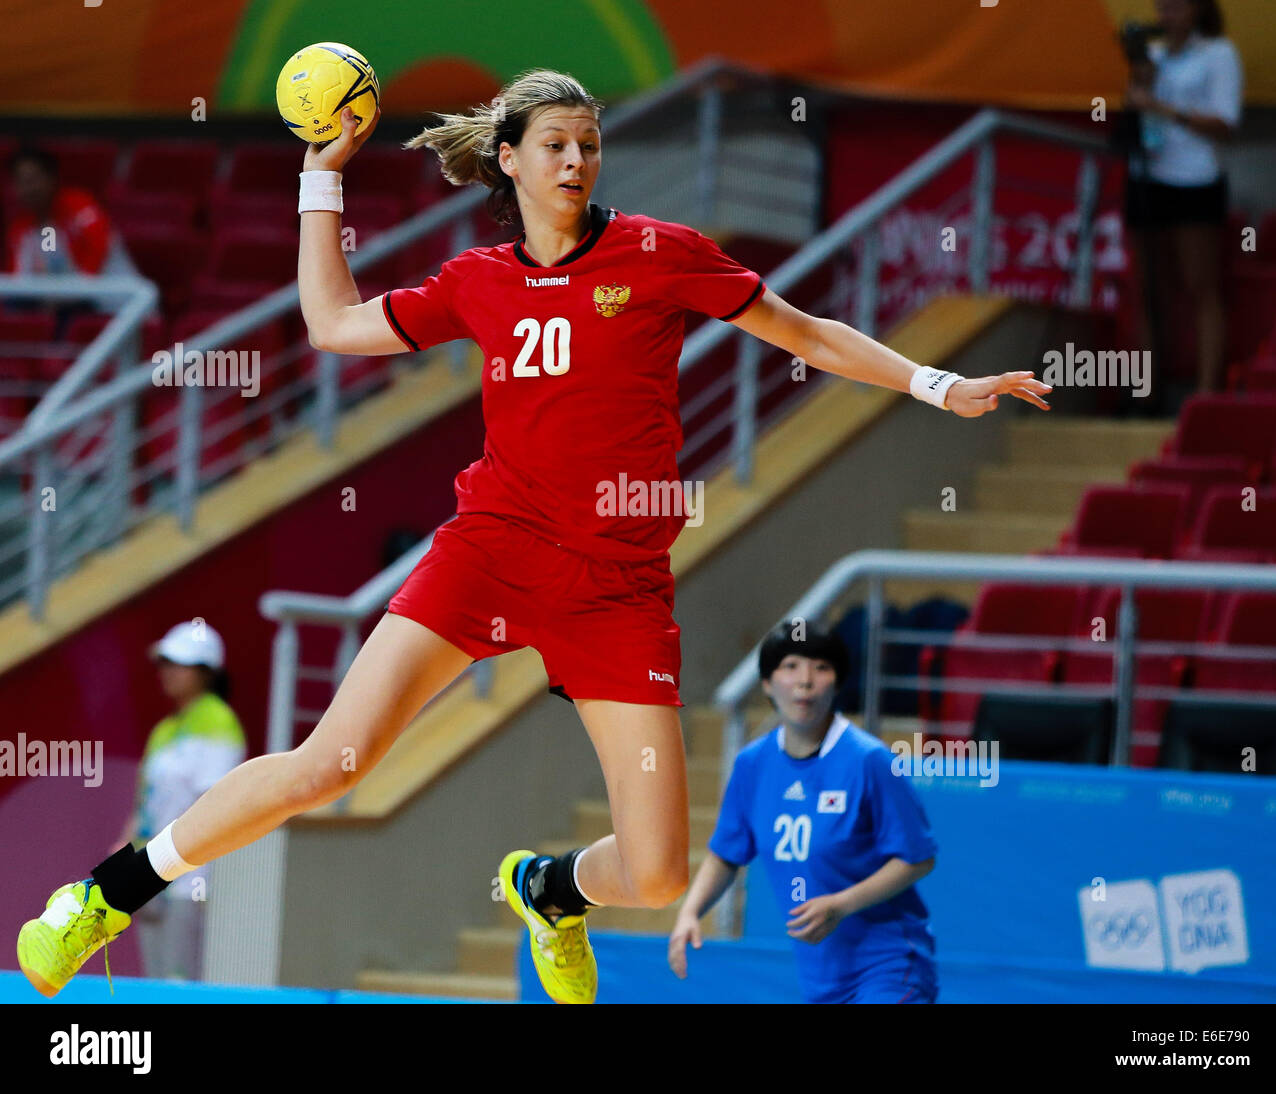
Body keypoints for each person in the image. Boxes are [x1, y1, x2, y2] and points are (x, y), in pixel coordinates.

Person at [17, 68, 1049, 1006]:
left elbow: (805, 331)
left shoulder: (658, 253)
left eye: (589, 144)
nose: (575, 161)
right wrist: (319, 179)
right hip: (491, 550)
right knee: (330, 760)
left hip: (615, 586)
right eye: (554, 143)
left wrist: (937, 381)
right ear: (507, 158)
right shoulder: (476, 279)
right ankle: (104, 895)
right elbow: (332, 325)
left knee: (651, 873)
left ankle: (547, 886)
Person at [668, 621, 939, 1003]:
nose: (805, 681)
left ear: (838, 682)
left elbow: (918, 858)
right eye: (791, 665)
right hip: (820, 976)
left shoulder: (870, 760)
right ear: (766, 683)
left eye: (821, 667)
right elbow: (727, 854)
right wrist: (690, 912)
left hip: (890, 963)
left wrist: (841, 905)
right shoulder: (752, 764)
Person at [111, 622, 245, 981]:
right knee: (153, 980)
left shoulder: (219, 721)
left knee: (180, 979)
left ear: (205, 671)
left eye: (178, 663)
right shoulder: (164, 730)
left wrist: (171, 861)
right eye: (164, 663)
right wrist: (124, 850)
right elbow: (144, 804)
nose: (167, 672)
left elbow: (214, 805)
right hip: (147, 872)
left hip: (189, 877)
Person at [1123, 0, 1243, 398]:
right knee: (1150, 288)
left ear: (1196, 9)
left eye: (1176, 6)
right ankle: (1147, 390)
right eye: (1162, 6)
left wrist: (1163, 109)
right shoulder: (1153, 56)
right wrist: (1139, 77)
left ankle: (1207, 390)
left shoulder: (1219, 54)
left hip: (1195, 179)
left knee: (1200, 286)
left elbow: (1226, 123)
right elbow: (1131, 110)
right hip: (1149, 176)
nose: (1166, 14)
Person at [3, 146, 136, 278]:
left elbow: (99, 244)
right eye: (21, 182)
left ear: (51, 178)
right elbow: (17, 278)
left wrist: (72, 289)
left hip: (114, 292)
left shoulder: (79, 205)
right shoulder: (20, 229)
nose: (28, 189)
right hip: (64, 296)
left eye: (32, 180)